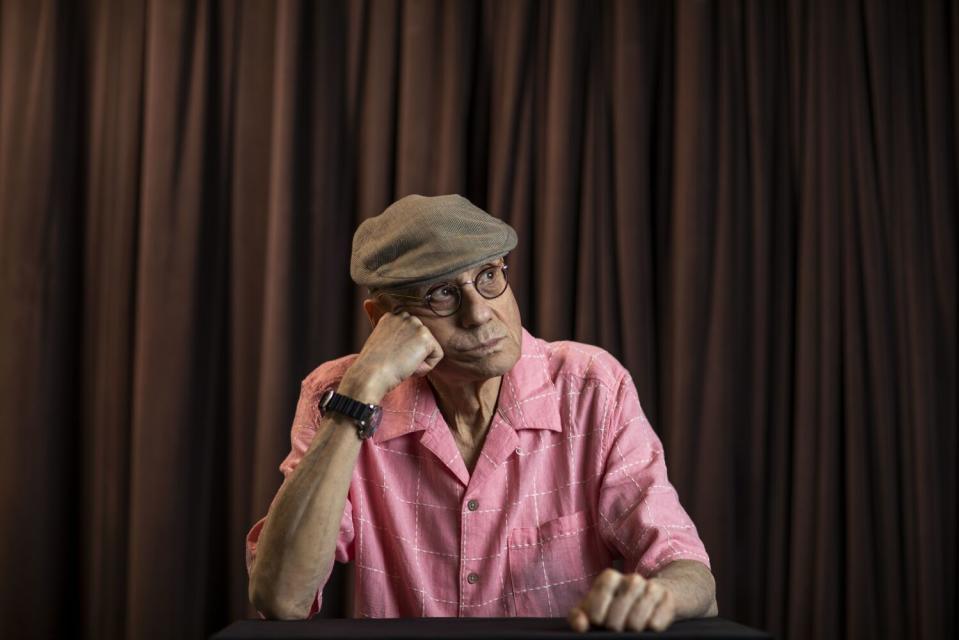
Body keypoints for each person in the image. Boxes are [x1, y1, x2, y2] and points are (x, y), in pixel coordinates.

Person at [246, 194, 718, 632]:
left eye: (489, 275)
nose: (479, 314)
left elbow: (688, 570)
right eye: (441, 294)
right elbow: (281, 598)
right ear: (383, 320)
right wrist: (359, 394)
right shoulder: (334, 392)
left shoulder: (592, 386)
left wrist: (656, 598)